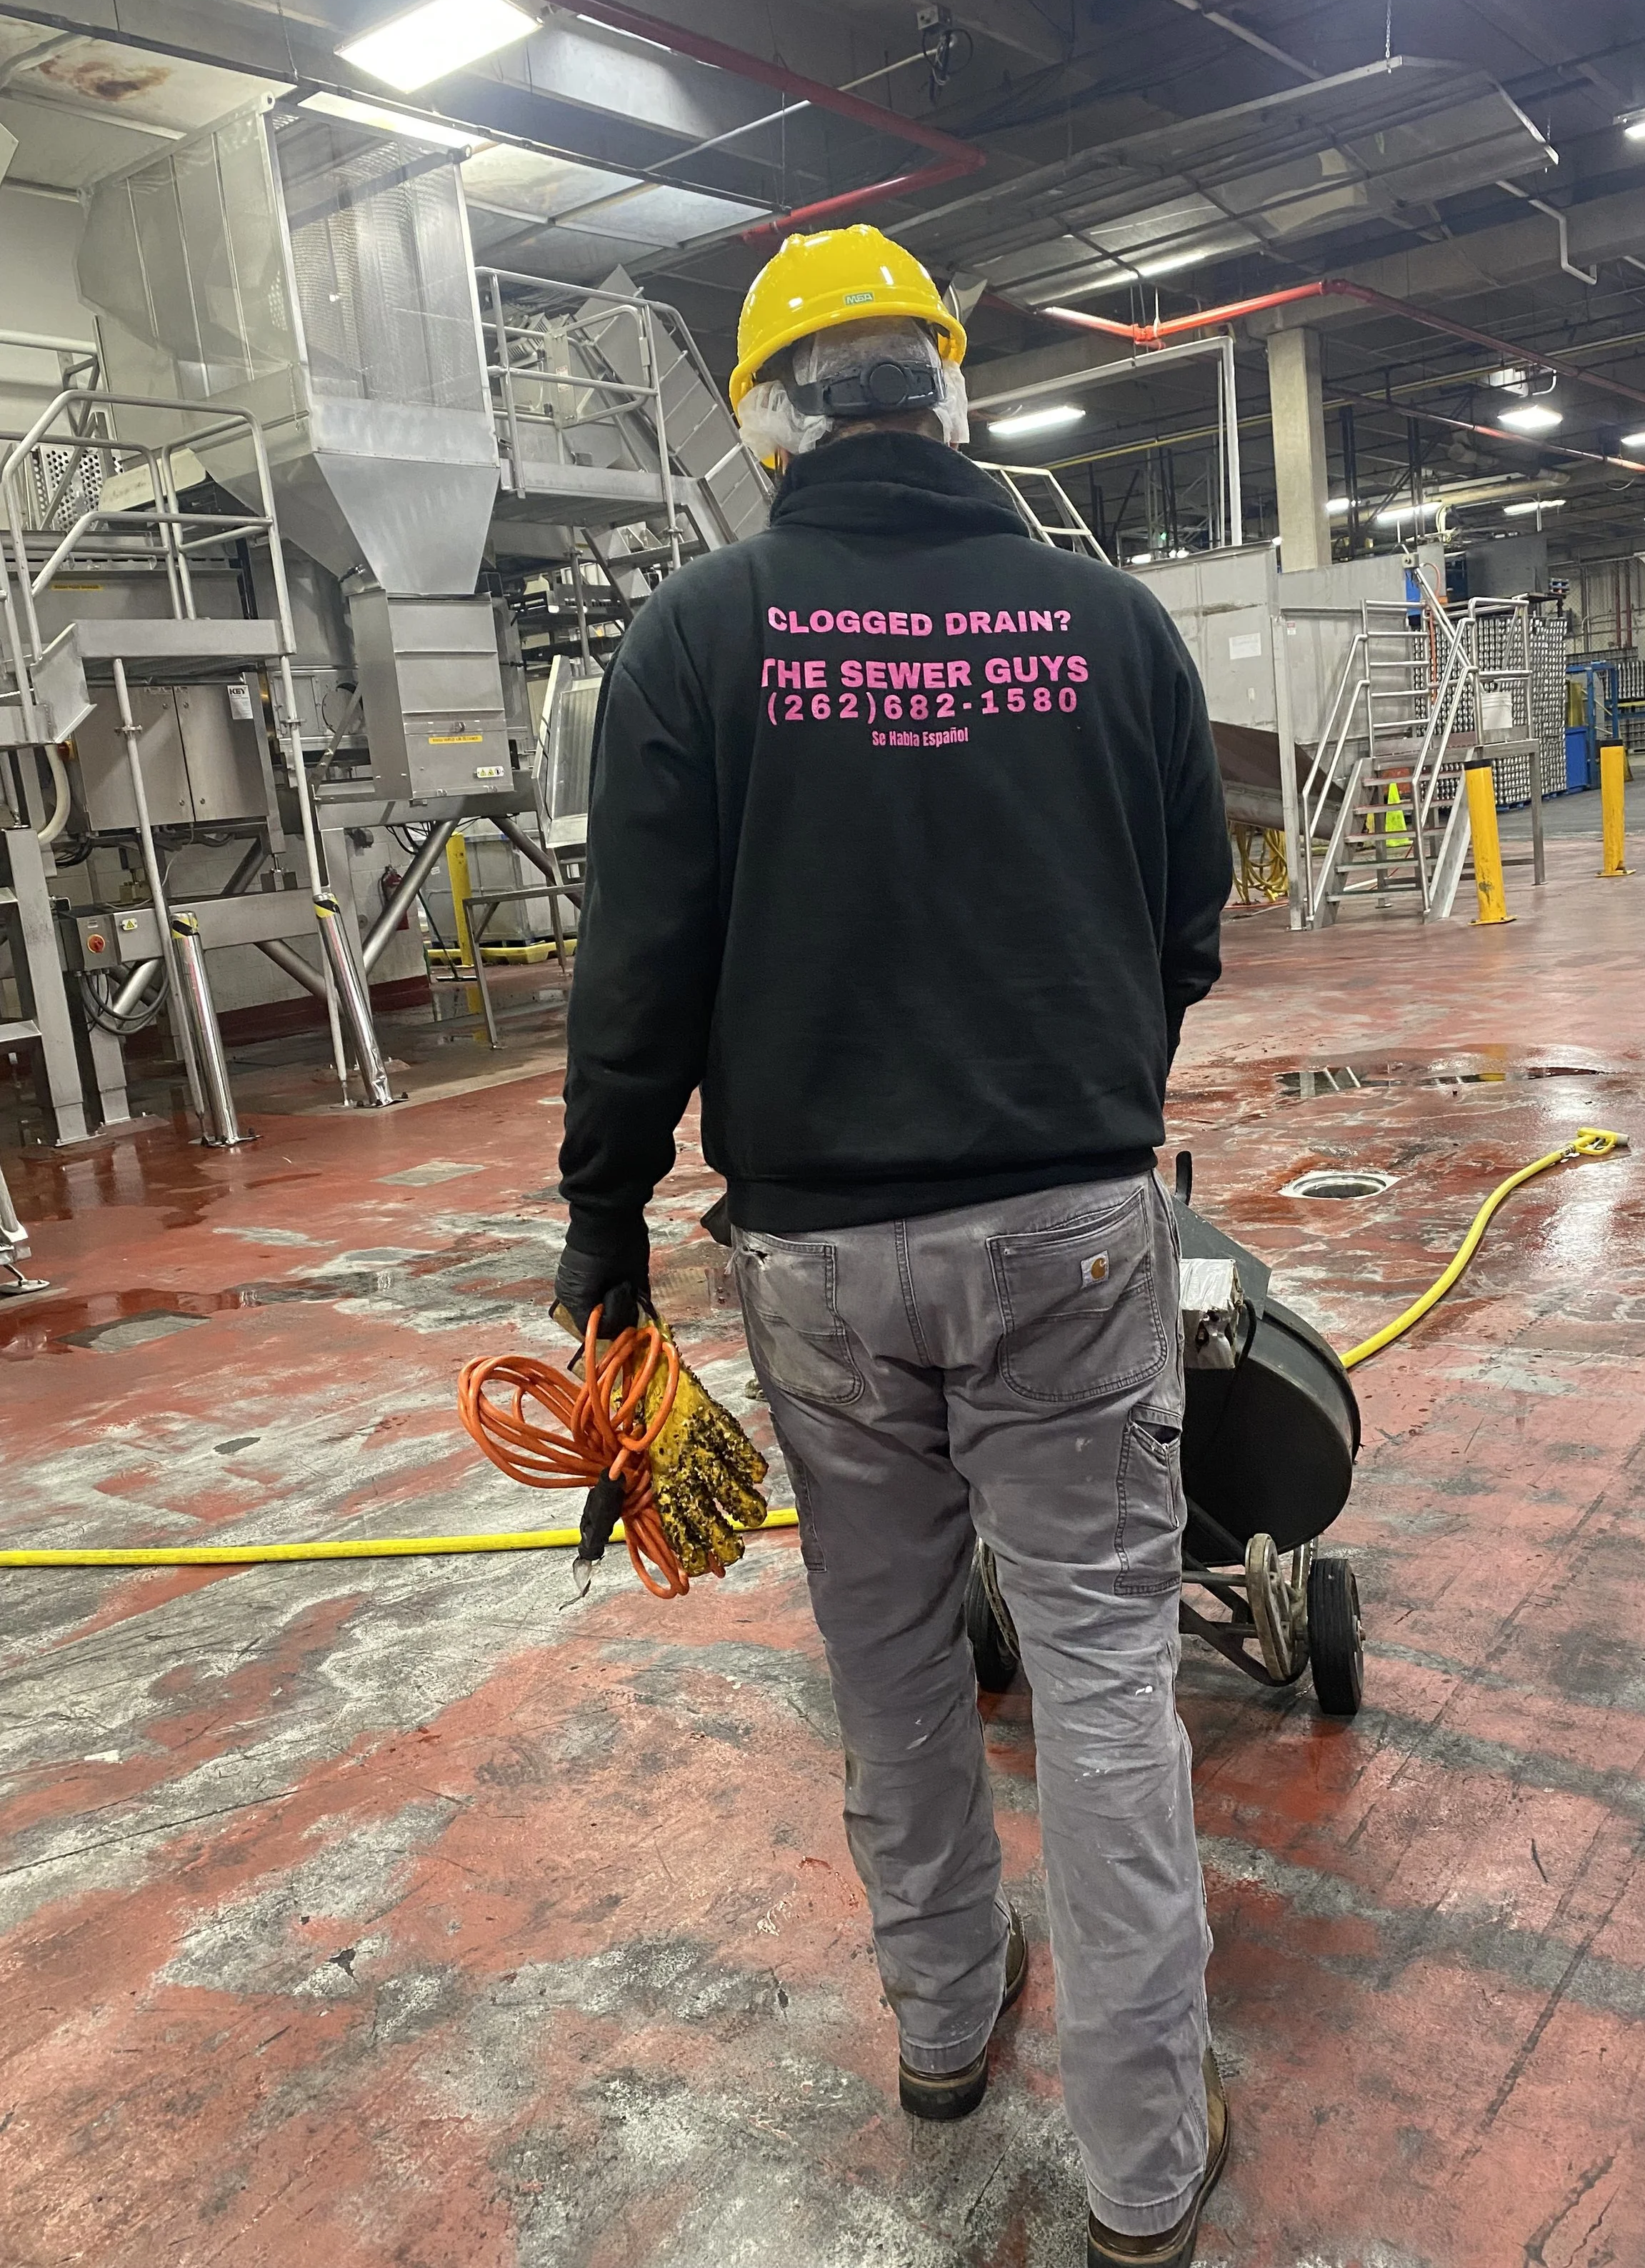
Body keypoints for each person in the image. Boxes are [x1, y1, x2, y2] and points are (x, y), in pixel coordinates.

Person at [555, 223, 1233, 2267]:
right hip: (1075, 1238)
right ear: (946, 387)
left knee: (889, 1662)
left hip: (819, 1259)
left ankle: (946, 2030)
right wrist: (1067, 1068)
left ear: (768, 420)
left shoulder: (697, 635)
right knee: (1107, 1674)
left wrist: (601, 1234)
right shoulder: (1112, 625)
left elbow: (637, 978)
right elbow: (1185, 919)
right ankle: (1139, 2159)